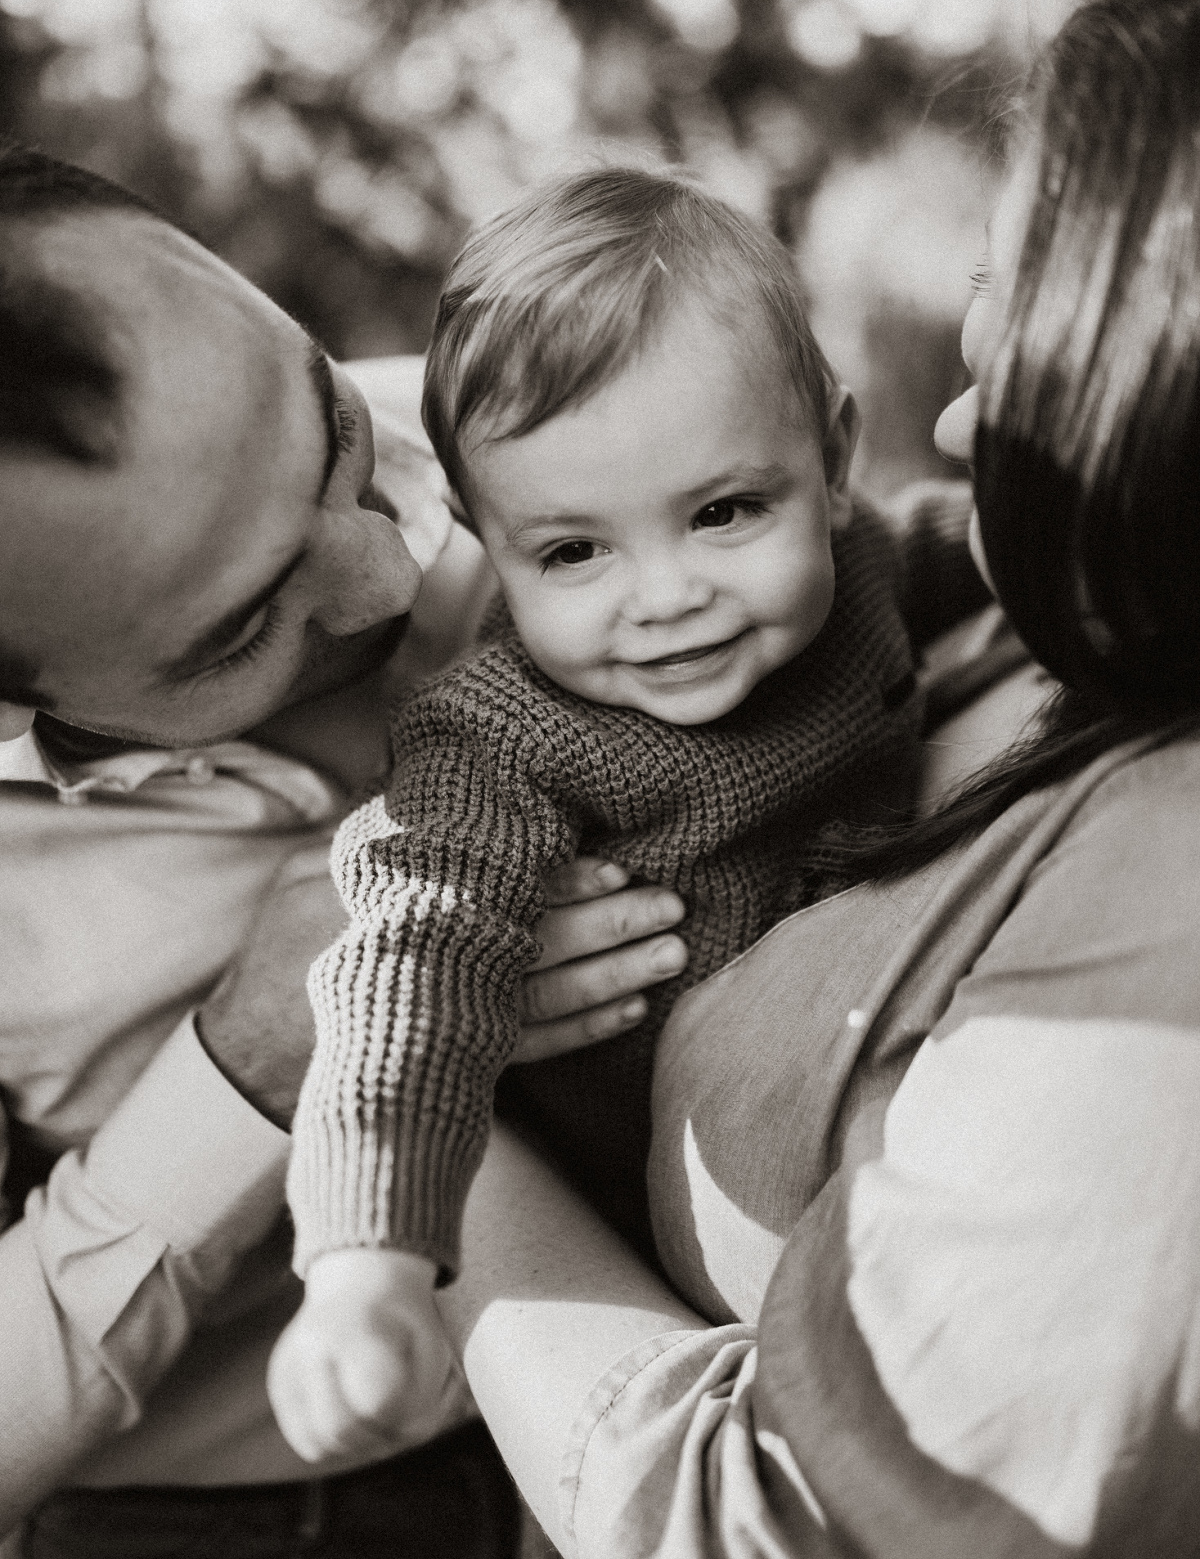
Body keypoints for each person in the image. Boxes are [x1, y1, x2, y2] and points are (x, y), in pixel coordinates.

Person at [435, 0, 1200, 1557]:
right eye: (984, 301)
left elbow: (764, 1525)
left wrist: (427, 1122)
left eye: (1041, 325)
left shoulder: (1169, 922)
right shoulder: (1025, 616)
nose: (962, 416)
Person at [0, 143, 693, 1556]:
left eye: (333, 432)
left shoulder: (539, 423)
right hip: (255, 1522)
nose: (390, 571)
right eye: (243, 630)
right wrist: (244, 1069)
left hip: (692, 1366)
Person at [266, 169, 988, 1465]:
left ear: (832, 463)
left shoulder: (863, 567)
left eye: (722, 514)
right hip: (626, 1236)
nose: (665, 596)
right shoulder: (497, 740)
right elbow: (410, 968)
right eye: (572, 552)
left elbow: (984, 548)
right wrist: (365, 1262)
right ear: (487, 538)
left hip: (866, 1116)